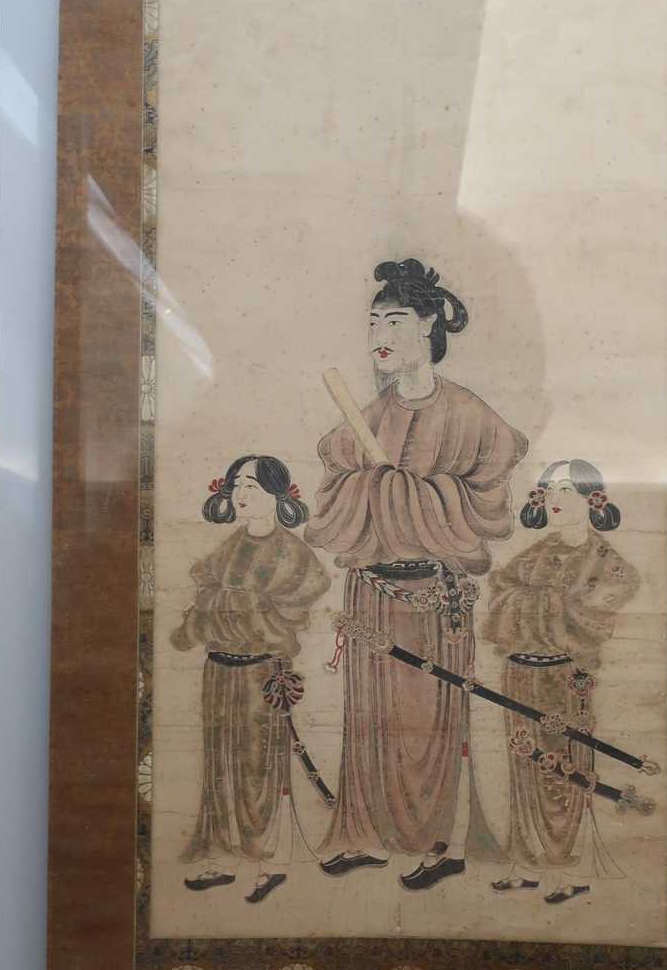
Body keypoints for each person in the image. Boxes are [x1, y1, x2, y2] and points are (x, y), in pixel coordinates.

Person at [305, 258, 528, 891]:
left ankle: (442, 842)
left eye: (395, 320)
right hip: (372, 592)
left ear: (428, 324)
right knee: (369, 717)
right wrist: (376, 487)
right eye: (374, 321)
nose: (380, 334)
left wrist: (409, 494)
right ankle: (364, 834)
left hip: (436, 592)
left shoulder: (468, 413)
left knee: (432, 718)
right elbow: (335, 489)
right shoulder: (370, 413)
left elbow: (487, 506)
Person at [475, 458, 640, 903]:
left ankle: (571, 870)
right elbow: (500, 593)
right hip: (519, 674)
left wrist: (533, 604)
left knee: (563, 768)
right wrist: (548, 603)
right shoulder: (536, 553)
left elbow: (590, 615)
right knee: (523, 766)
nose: (553, 500)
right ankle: (527, 863)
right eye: (548, 490)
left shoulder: (609, 563)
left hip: (564, 676)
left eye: (565, 490)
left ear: (593, 499)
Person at [171, 454, 330, 903]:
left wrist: (227, 606)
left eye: (252, 487)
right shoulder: (230, 546)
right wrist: (227, 606)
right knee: (220, 763)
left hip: (261, 670)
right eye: (237, 486)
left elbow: (286, 614)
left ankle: (270, 862)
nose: (240, 495)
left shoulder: (294, 553)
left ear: (277, 495)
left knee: (259, 766)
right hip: (218, 671)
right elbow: (204, 597)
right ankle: (223, 858)